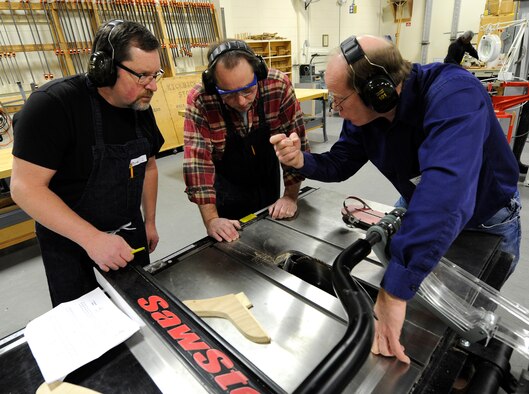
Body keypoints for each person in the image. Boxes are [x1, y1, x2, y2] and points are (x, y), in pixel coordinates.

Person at [270, 35, 521, 364]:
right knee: (421, 303)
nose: (335, 108)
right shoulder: (368, 117)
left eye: (339, 99)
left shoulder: (455, 93)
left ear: (379, 91)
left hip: (486, 222)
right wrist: (302, 162)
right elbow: (340, 163)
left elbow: (447, 191)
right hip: (420, 203)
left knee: (466, 317)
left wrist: (394, 291)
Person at [10, 20, 165, 307]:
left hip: (129, 235)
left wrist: (150, 222)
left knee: (138, 314)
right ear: (104, 68)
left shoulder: (139, 107)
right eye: (142, 76)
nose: (153, 86)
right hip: (72, 244)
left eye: (156, 74)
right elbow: (24, 188)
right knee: (87, 326)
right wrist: (92, 239)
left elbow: (150, 165)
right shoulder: (53, 105)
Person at [183, 39, 309, 242]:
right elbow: (197, 163)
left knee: (273, 237)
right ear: (213, 85)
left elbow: (296, 144)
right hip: (228, 188)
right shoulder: (201, 100)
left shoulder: (277, 86)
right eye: (229, 94)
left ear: (258, 73)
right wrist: (212, 220)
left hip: (267, 177)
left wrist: (290, 196)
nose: (241, 101)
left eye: (248, 90)